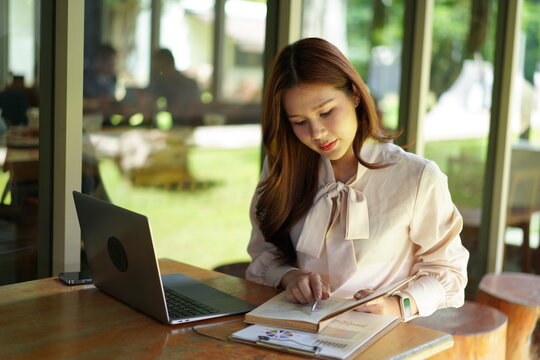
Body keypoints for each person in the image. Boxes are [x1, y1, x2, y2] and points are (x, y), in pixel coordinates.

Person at [245, 37, 469, 321]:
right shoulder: (284, 167)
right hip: (297, 328)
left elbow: (448, 271)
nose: (317, 133)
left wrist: (397, 306)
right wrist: (290, 277)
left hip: (381, 335)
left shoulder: (416, 177)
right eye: (300, 122)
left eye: (326, 112)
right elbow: (265, 252)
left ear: (354, 94)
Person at [145, 48, 201, 125]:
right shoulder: (159, 83)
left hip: (186, 126)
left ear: (168, 65)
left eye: (158, 67)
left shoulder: (189, 85)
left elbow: (193, 111)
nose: (156, 70)